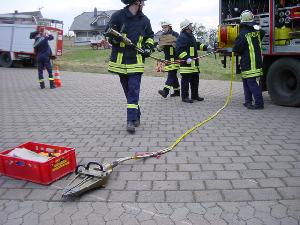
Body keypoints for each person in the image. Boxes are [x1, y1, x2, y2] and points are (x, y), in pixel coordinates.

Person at [105, 0, 154, 133]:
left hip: (136, 60)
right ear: (136, 1)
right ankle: (136, 114)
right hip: (120, 61)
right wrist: (116, 39)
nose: (144, 4)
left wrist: (148, 48)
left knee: (133, 90)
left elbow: (150, 36)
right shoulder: (118, 16)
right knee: (128, 91)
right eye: (142, 1)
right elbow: (108, 33)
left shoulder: (145, 20)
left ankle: (130, 120)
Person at [233, 10, 264, 110]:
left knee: (251, 83)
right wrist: (256, 26)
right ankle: (248, 102)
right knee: (247, 81)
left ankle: (259, 104)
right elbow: (262, 31)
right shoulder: (257, 32)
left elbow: (236, 49)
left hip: (249, 62)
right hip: (256, 61)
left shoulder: (242, 34)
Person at [176, 19, 211, 103]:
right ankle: (185, 97)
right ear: (186, 27)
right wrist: (186, 58)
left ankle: (195, 96)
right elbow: (179, 50)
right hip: (186, 64)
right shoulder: (182, 37)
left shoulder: (191, 36)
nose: (192, 27)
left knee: (195, 81)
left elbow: (197, 45)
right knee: (185, 82)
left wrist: (207, 47)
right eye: (190, 25)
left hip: (194, 65)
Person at [157, 21, 180, 98]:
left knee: (171, 74)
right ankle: (177, 91)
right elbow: (160, 48)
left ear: (170, 26)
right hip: (167, 59)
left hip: (175, 58)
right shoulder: (162, 36)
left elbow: (180, 45)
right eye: (163, 27)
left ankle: (165, 91)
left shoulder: (175, 34)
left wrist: (174, 44)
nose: (164, 29)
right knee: (173, 75)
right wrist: (159, 48)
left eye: (165, 27)